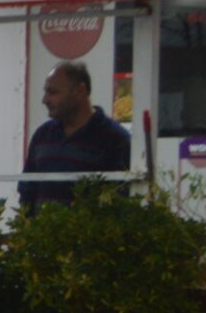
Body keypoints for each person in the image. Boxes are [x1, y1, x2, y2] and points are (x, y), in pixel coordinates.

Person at [19, 59, 132, 205]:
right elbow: (27, 190)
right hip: (42, 228)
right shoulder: (42, 135)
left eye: (53, 92)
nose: (45, 100)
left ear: (80, 91)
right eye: (46, 92)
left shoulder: (115, 139)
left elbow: (120, 199)